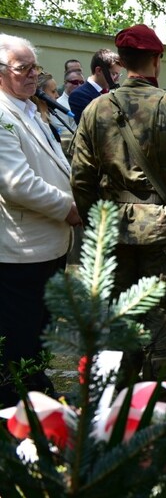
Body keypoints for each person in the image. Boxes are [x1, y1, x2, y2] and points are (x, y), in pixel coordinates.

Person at [70, 24, 166, 384]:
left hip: (113, 232)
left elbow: (80, 178)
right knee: (158, 327)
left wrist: (100, 221)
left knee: (115, 323)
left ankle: (114, 413)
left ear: (121, 63)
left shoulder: (95, 110)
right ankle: (158, 411)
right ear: (157, 60)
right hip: (161, 229)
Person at [0, 34, 82, 408]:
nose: (34, 74)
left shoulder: (29, 107)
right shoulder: (2, 114)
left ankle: (37, 392)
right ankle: (22, 406)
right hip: (22, 249)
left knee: (38, 330)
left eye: (35, 67)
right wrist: (69, 208)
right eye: (24, 69)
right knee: (21, 333)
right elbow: (17, 184)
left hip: (47, 244)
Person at [68, 49, 122, 123]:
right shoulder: (79, 95)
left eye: (118, 75)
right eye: (114, 74)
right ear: (98, 70)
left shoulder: (113, 93)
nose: (117, 79)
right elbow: (91, 126)